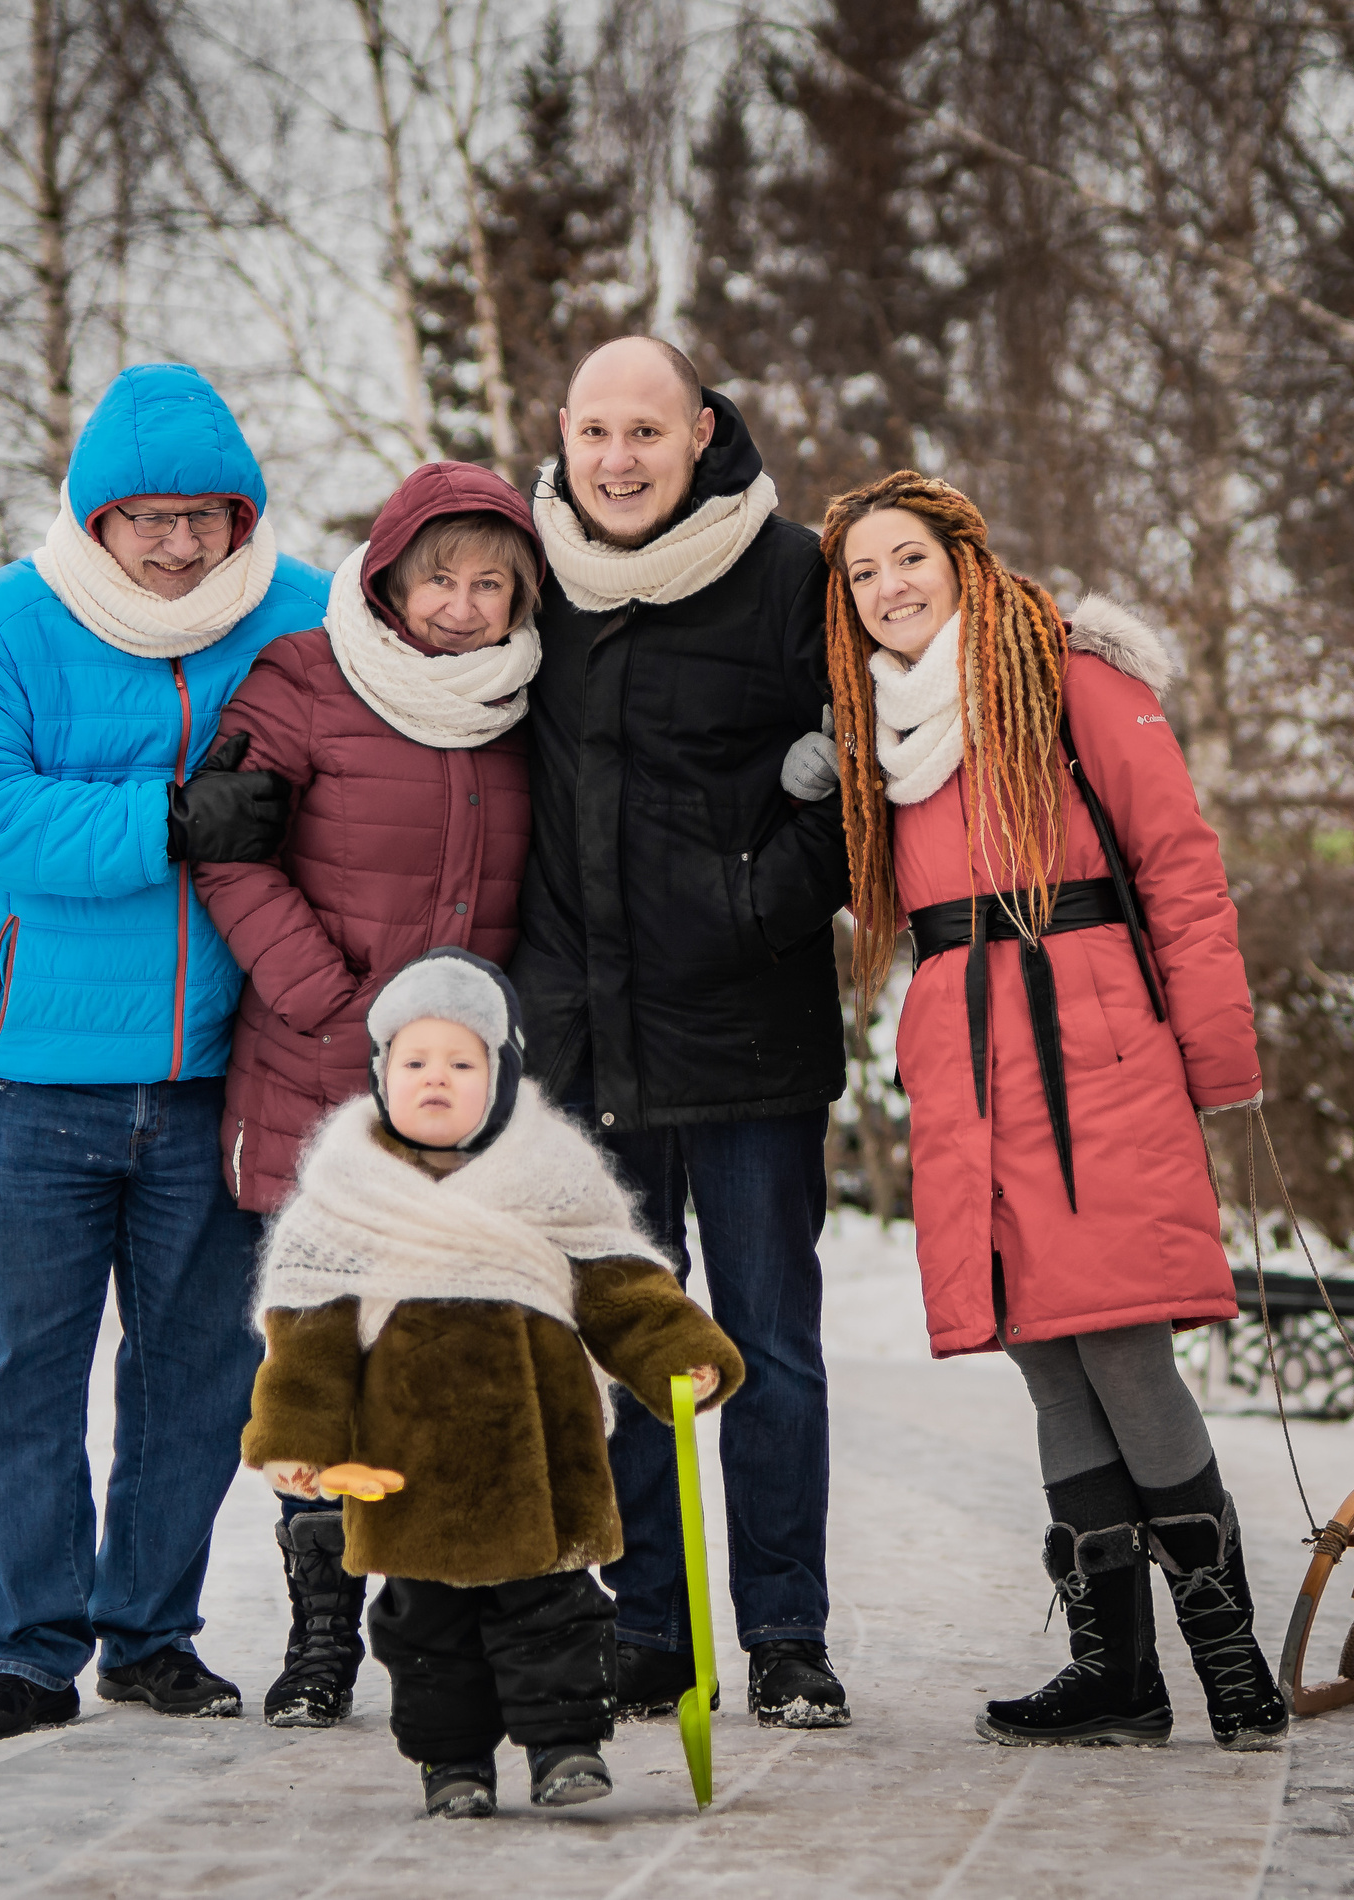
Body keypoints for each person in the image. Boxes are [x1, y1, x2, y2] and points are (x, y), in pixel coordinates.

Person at [798, 468, 1287, 1750]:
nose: (888, 588)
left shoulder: (1068, 678)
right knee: (1045, 1357)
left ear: (961, 557)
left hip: (1094, 1045)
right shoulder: (878, 733)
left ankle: (1232, 1663)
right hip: (963, 1057)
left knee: (1122, 1344)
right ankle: (1115, 1674)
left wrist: (1219, 1053)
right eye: (861, 573)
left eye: (908, 558)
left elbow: (1180, 863)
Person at [0, 363, 329, 1743]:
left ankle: (150, 1635)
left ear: (240, 511)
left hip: (221, 1064)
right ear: (95, 519)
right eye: (145, 518)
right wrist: (171, 819)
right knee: (24, 1369)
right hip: (28, 1069)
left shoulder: (306, 618)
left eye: (202, 516)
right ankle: (28, 1651)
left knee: (195, 1369)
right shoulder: (1, 628)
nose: (175, 543)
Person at [510, 335, 852, 1728]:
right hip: (591, 1049)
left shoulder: (790, 573)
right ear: (567, 435)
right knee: (628, 1352)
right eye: (596, 430)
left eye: (646, 431)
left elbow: (862, 766)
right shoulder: (534, 581)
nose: (618, 458)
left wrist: (761, 893)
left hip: (751, 1035)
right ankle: (651, 1625)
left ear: (703, 432)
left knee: (766, 1343)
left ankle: (784, 1633)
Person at [193, 462, 543, 1727]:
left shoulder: (521, 699)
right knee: (321, 1362)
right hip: (319, 1077)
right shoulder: (303, 676)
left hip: (467, 1102)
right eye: (439, 576)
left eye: (490, 581)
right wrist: (331, 1003)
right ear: (390, 570)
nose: (461, 605)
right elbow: (225, 846)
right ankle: (320, 1630)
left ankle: (436, 1633)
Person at [240, 948, 746, 1817]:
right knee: (423, 1629)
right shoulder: (344, 1198)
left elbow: (620, 1284)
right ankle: (453, 1764)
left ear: (504, 1077)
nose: (436, 1078)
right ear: (381, 1073)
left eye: (462, 1062)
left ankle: (565, 1747)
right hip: (408, 1469)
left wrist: (676, 1352)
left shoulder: (551, 1177)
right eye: (415, 1061)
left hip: (540, 1457)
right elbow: (310, 1336)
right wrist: (297, 1436)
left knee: (553, 1608)